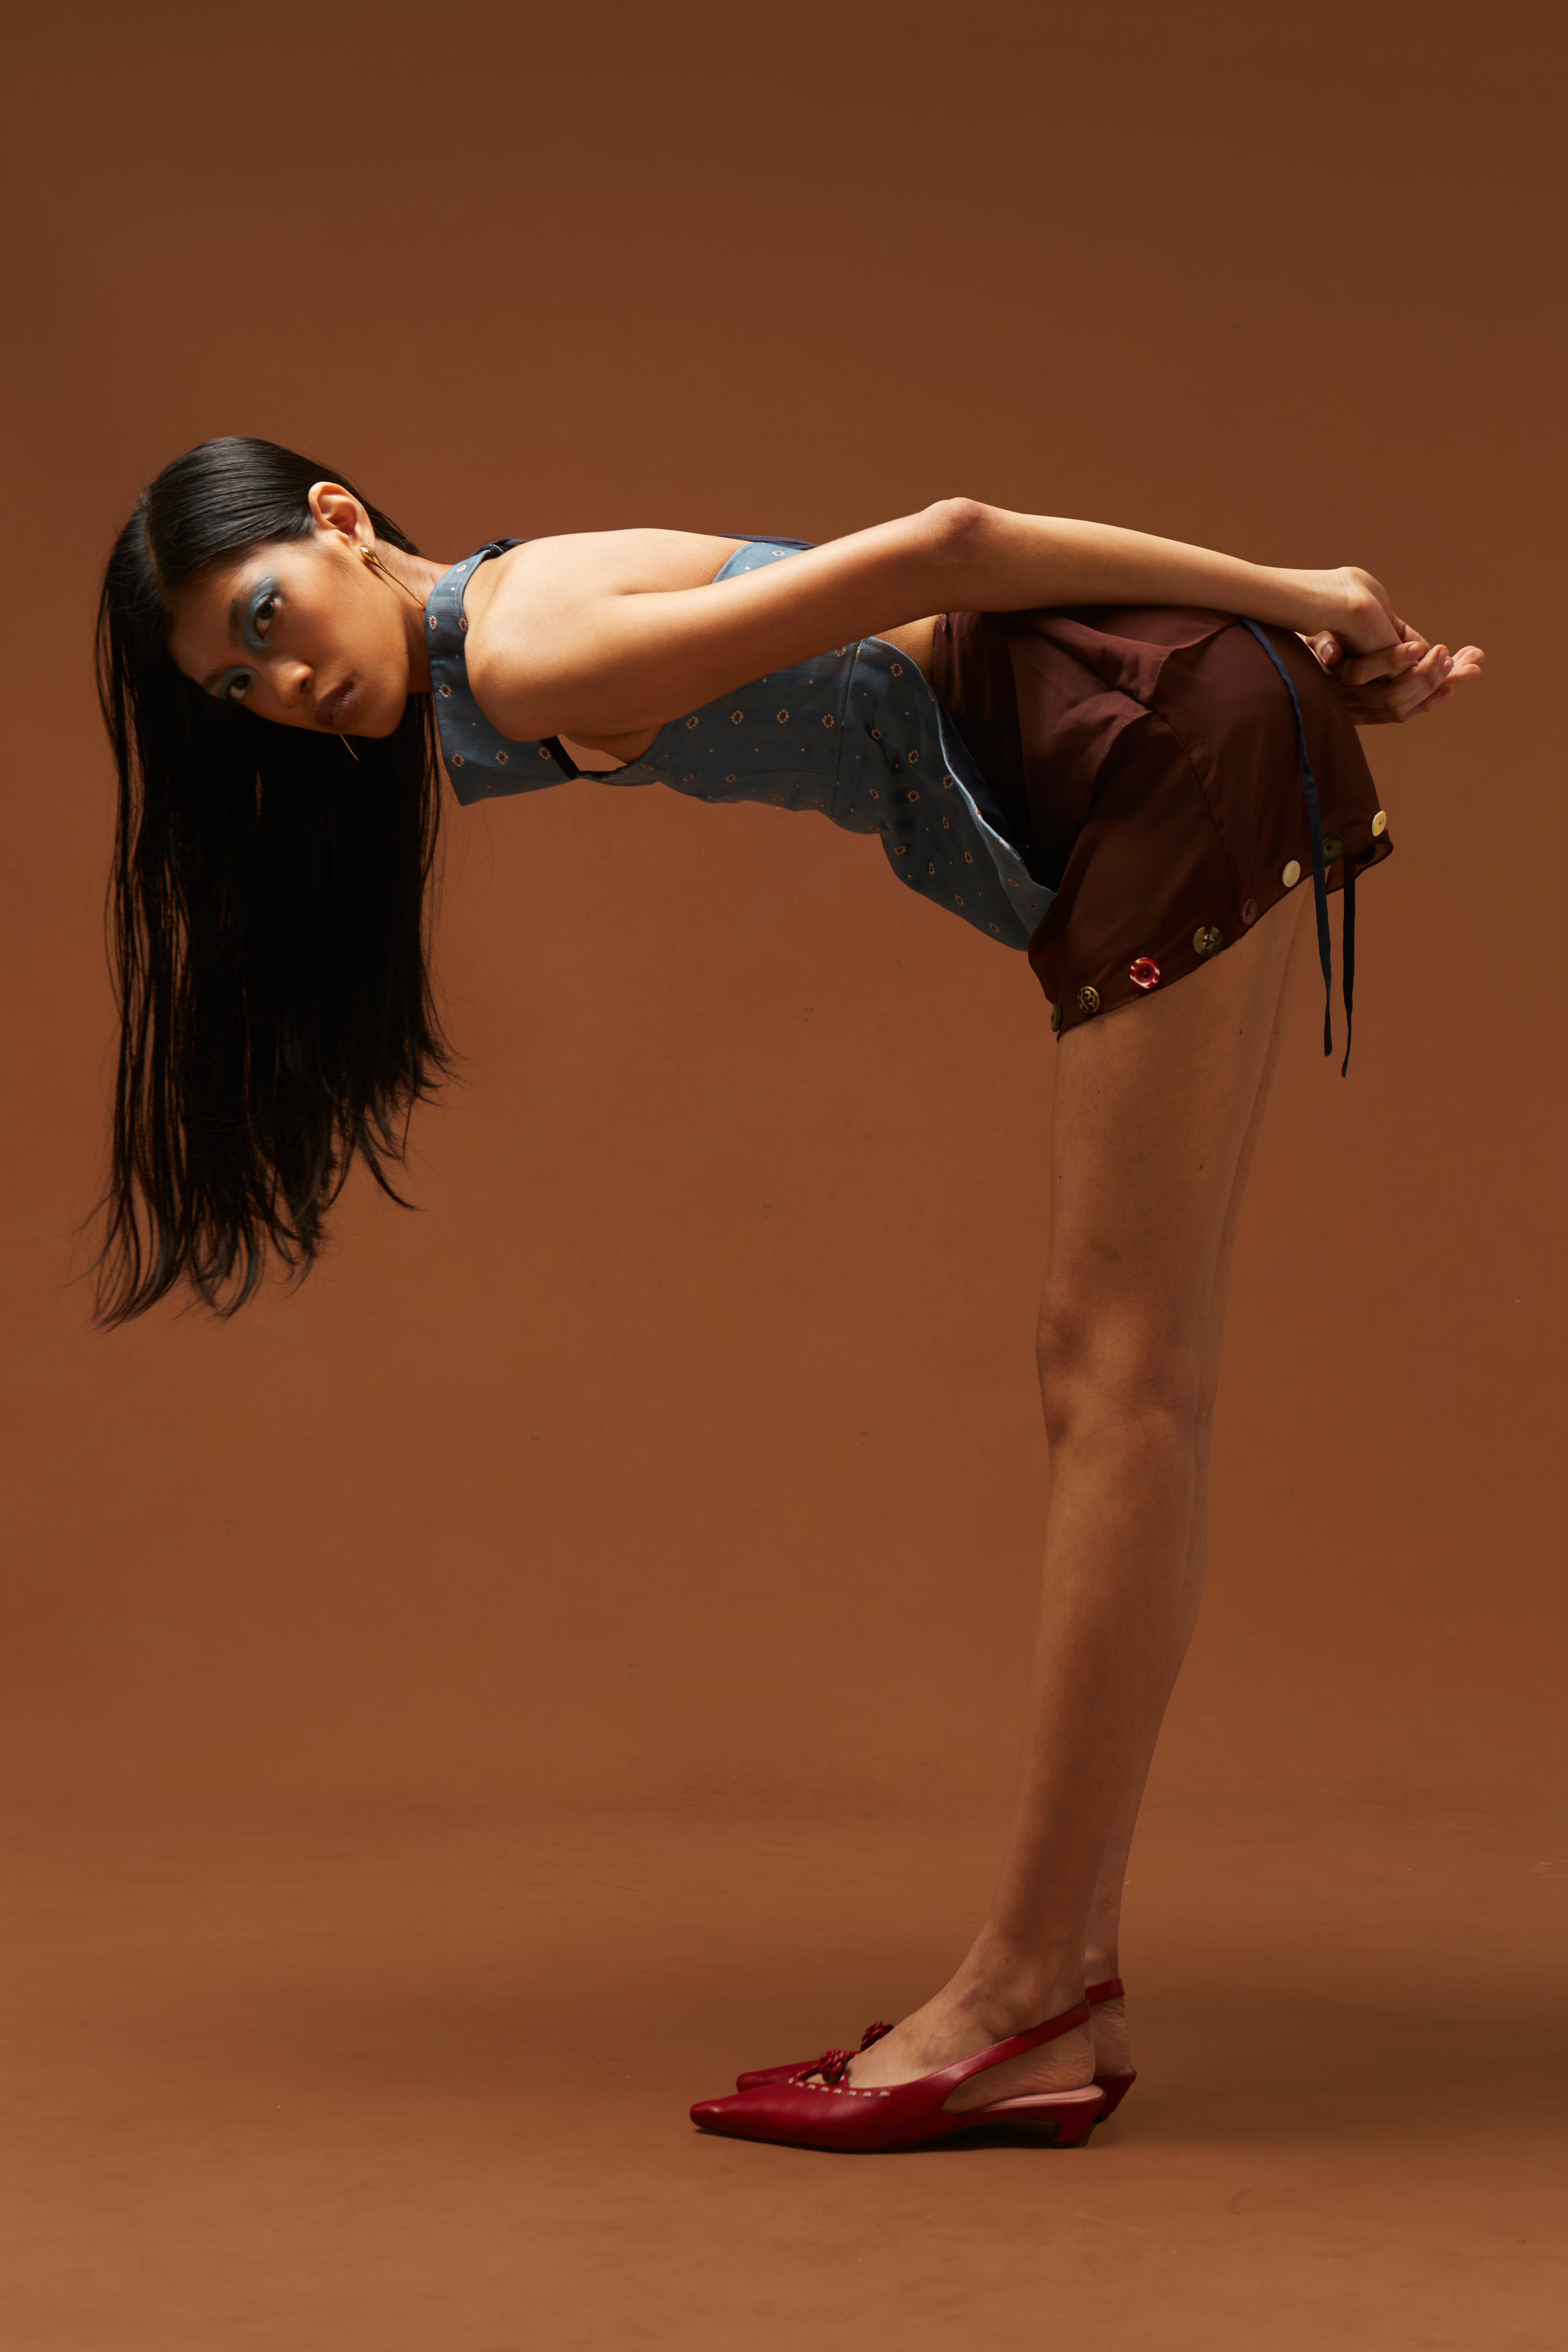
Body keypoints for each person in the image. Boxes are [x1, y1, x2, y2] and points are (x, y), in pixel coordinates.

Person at [95, 436, 1482, 2153]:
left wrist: (1310, 597)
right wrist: (1291, 639)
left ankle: (1032, 1988)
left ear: (337, 524)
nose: (283, 688)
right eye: (236, 688)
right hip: (1154, 718)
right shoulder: (514, 603)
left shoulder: (521, 652)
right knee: (1136, 1373)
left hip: (1148, 747)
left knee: (1117, 1374)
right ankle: (1059, 1984)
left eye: (265, 621)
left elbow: (949, 546)